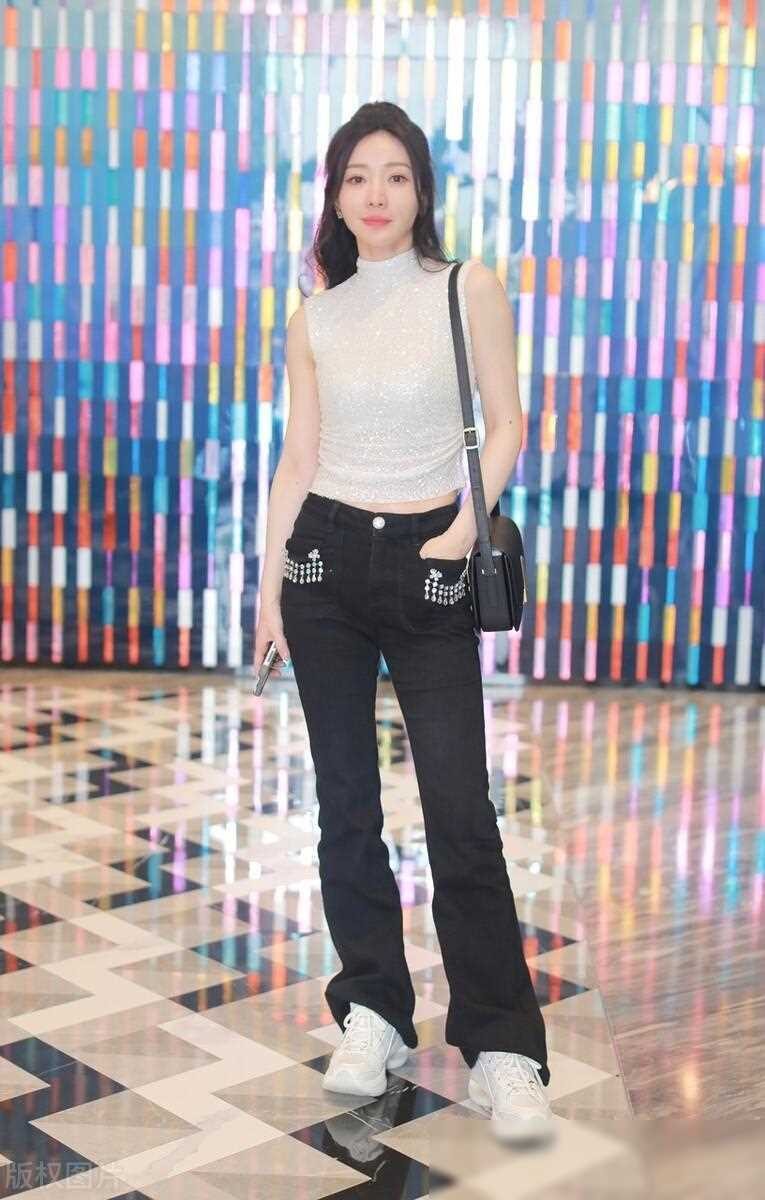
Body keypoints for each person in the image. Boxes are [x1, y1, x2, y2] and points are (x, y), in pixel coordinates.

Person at [255, 102, 553, 1145]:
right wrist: (269, 590)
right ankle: (372, 1011)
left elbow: (508, 421)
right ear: (335, 198)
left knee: (459, 809)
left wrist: (461, 532)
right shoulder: (314, 318)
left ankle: (504, 1045)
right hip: (324, 563)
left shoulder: (466, 288)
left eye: (394, 175)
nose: (375, 194)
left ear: (421, 190)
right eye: (356, 178)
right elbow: (299, 457)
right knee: (345, 805)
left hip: (430, 562)